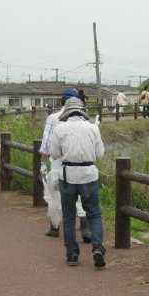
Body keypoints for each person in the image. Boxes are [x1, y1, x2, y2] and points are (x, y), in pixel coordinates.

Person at [49, 97, 106, 268]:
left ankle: (72, 254)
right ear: (82, 111)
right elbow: (100, 154)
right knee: (94, 213)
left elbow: (55, 153)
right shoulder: (92, 128)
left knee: (68, 216)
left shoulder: (60, 129)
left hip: (67, 175)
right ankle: (97, 247)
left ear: (67, 111)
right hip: (89, 174)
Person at [39, 88, 89, 240]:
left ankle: (55, 227)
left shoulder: (53, 118)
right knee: (80, 196)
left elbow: (46, 145)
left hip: (57, 163)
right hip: (79, 164)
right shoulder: (84, 119)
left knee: (55, 195)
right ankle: (85, 228)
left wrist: (42, 164)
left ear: (62, 100)